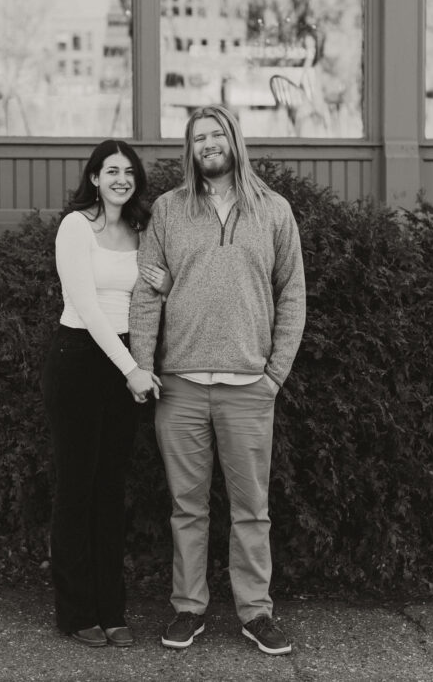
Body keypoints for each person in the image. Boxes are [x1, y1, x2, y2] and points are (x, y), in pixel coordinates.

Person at [129, 105, 306, 656]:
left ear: (234, 140)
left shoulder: (274, 210)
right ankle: (189, 607)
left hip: (249, 387)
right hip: (180, 386)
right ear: (190, 149)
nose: (208, 143)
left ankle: (256, 612)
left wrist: (274, 374)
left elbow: (292, 295)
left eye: (216, 134)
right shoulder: (167, 210)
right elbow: (145, 292)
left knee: (252, 509)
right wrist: (142, 363)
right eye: (198, 137)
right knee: (188, 507)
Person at [42, 139, 167, 648]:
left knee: (111, 490)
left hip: (127, 359)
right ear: (94, 177)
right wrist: (133, 369)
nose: (120, 178)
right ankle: (75, 612)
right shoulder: (76, 226)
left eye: (128, 171)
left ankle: (112, 609)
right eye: (110, 170)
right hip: (80, 361)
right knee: (76, 487)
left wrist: (161, 281)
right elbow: (87, 306)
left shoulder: (141, 231)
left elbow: (148, 292)